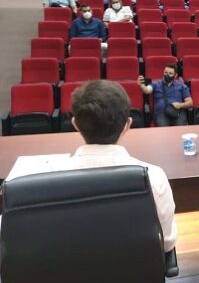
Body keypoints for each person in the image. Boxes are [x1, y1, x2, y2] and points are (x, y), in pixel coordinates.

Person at [4, 80, 177, 252]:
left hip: (68, 268)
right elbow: (167, 243)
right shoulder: (154, 177)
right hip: (137, 268)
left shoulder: (41, 181)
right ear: (128, 124)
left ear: (75, 124)